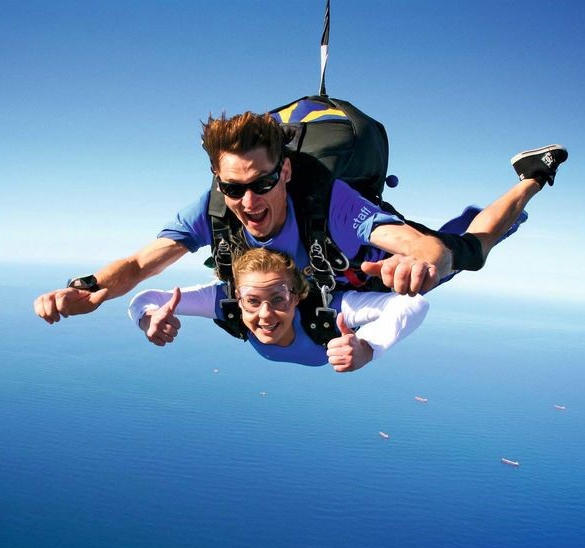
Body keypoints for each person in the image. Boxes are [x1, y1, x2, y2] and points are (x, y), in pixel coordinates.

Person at [32, 107, 567, 324]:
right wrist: (91, 288)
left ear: (285, 172)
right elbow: (141, 262)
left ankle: (531, 177)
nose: (247, 202)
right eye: (233, 187)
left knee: (469, 250)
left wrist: (422, 265)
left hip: (362, 257)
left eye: (262, 183)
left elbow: (422, 248)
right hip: (310, 271)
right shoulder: (211, 207)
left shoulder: (330, 201)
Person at [128, 248, 430, 372]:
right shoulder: (226, 303)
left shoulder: (327, 310)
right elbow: (145, 299)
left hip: (380, 269)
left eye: (278, 299)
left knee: (450, 257)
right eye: (252, 301)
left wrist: (367, 348)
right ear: (238, 296)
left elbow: (414, 301)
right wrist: (148, 320)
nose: (264, 314)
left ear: (297, 297)